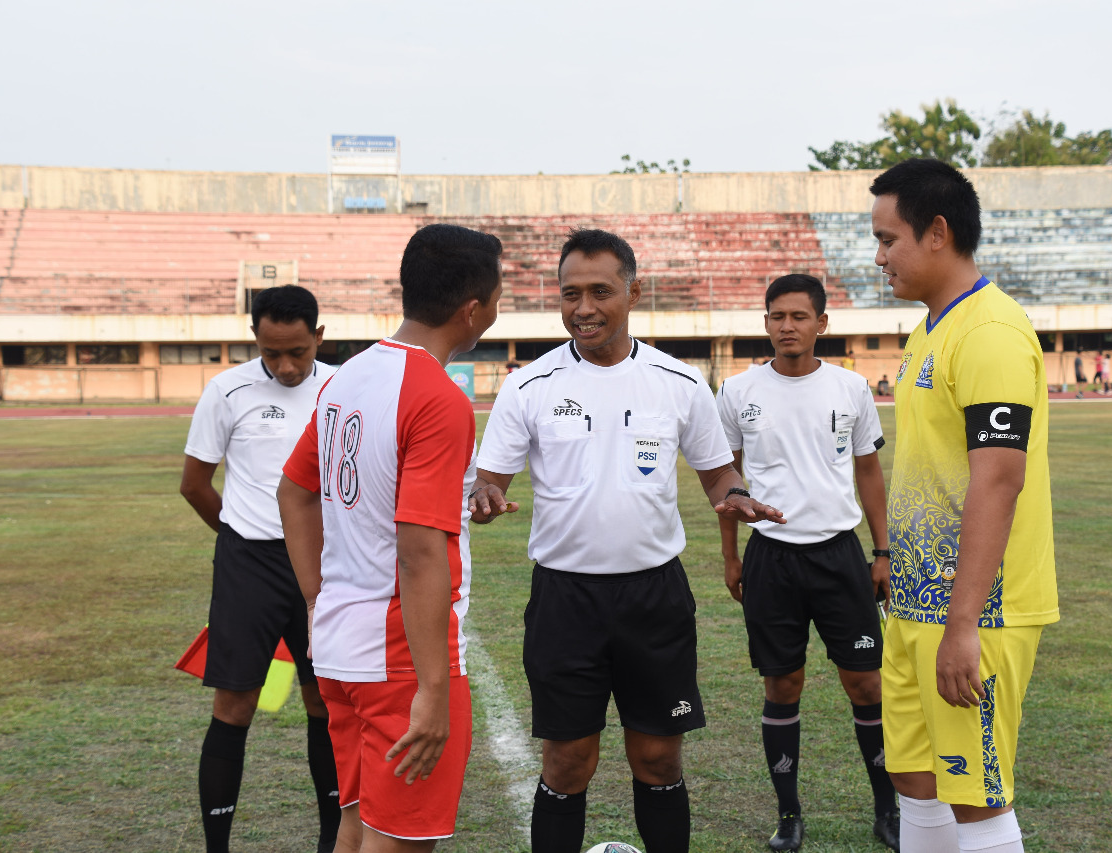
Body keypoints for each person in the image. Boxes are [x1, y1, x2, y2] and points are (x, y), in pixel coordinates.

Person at [468, 228, 784, 853]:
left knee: (659, 760)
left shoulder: (679, 381)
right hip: (565, 600)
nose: (583, 307)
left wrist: (735, 491)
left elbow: (717, 470)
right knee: (566, 763)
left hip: (654, 598)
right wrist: (483, 499)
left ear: (634, 292)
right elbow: (489, 480)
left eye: (600, 292)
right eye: (571, 294)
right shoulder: (528, 386)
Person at [277, 224, 504, 852]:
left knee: (356, 826)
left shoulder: (346, 378)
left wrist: (320, 597)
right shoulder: (437, 396)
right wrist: (433, 691)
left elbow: (293, 492)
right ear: (474, 308)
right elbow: (419, 546)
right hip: (400, 660)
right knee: (398, 842)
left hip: (340, 648)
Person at [870, 159, 1058, 853]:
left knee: (975, 796)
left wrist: (963, 623)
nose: (880, 255)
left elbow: (998, 479)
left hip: (976, 611)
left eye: (889, 238)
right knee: (917, 777)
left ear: (937, 232)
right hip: (917, 606)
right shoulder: (930, 329)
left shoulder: (990, 332)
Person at [716, 273, 899, 852]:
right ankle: (788, 816)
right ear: (765, 322)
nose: (786, 326)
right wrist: (730, 556)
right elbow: (728, 482)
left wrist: (882, 550)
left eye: (799, 316)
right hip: (771, 558)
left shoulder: (850, 388)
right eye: (776, 316)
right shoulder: (738, 390)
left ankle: (887, 811)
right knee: (782, 684)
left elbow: (868, 470)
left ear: (822, 323)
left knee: (866, 685)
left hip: (840, 555)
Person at [179, 284, 340, 853]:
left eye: (297, 351)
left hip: (324, 567)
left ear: (319, 337)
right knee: (235, 704)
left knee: (326, 701)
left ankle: (332, 840)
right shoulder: (227, 391)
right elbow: (195, 485)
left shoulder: (343, 390)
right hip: (249, 562)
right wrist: (240, 537)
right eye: (272, 353)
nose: (286, 365)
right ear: (256, 340)